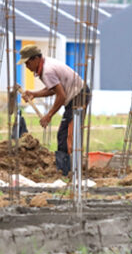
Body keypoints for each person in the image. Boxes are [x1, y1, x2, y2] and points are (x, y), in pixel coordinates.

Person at [18, 44, 91, 175]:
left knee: (68, 135)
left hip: (78, 96)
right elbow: (55, 89)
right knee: (65, 135)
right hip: (76, 95)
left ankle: (68, 172)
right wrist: (35, 94)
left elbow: (61, 95)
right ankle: (67, 170)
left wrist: (49, 115)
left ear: (35, 59)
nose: (27, 67)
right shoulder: (46, 66)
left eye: (28, 63)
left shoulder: (47, 71)